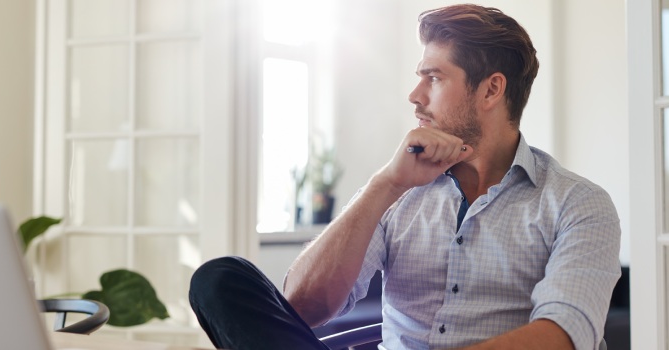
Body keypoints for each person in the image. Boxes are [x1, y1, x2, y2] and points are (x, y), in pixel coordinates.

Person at [189, 4, 621, 350]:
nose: (415, 96)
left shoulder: (576, 203)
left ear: (491, 90)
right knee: (219, 279)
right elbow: (303, 307)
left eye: (434, 78)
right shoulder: (399, 188)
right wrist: (386, 185)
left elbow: (563, 336)